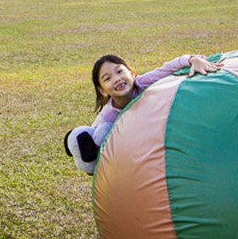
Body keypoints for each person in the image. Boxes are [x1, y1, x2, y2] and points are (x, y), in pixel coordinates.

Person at [64, 53, 223, 174]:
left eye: (120, 71)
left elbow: (167, 68)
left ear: (132, 73)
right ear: (102, 91)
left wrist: (192, 60)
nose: (117, 79)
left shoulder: (142, 83)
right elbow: (94, 138)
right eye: (107, 78)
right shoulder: (108, 116)